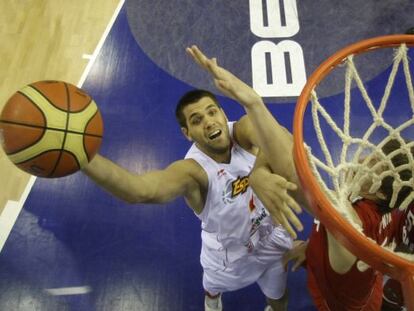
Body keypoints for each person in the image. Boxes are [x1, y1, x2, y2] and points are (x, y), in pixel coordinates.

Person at [82, 45, 304, 311]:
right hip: (228, 258)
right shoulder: (193, 171)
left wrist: (259, 171)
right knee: (212, 286)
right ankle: (212, 300)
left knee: (279, 299)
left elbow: (278, 136)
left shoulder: (243, 130)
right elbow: (141, 190)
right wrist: (83, 158)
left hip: (270, 240)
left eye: (212, 112)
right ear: (187, 133)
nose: (209, 122)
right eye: (197, 120)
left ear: (223, 113)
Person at [250, 138, 414, 311]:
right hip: (361, 285)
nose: (361, 161)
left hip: (339, 301)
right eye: (371, 157)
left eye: (372, 166)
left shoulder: (346, 216)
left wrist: (257, 173)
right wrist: (312, 247)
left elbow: (279, 145)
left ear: (380, 192)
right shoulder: (384, 206)